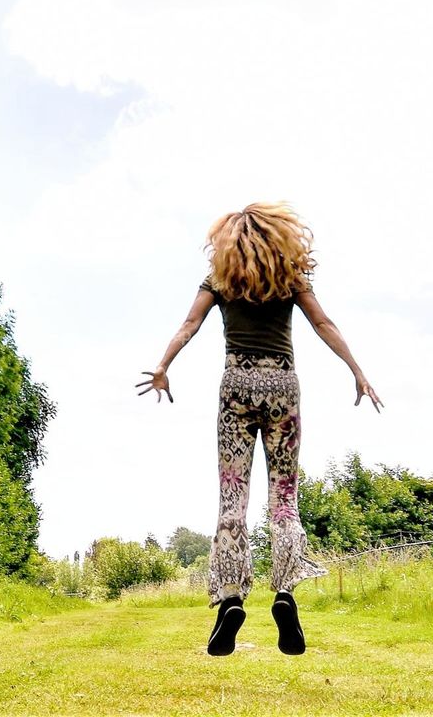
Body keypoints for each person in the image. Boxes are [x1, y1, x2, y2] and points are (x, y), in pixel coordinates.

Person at [136, 201, 383, 656]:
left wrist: (162, 366)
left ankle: (230, 598)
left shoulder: (220, 280)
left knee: (233, 497)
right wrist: (357, 370)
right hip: (283, 387)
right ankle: (285, 593)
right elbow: (323, 324)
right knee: (283, 500)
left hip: (236, 386)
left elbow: (189, 323)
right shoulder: (290, 277)